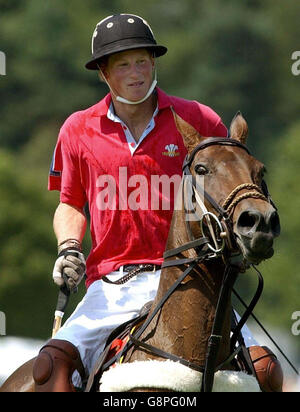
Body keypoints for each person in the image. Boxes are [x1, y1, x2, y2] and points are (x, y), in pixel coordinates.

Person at [32, 13, 283, 392]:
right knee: (51, 369)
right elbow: (70, 202)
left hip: (193, 277)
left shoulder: (198, 119)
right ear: (104, 73)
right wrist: (68, 249)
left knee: (265, 370)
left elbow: (230, 183)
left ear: (154, 63)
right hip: (114, 283)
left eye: (143, 62)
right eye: (123, 65)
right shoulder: (78, 129)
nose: (137, 73)